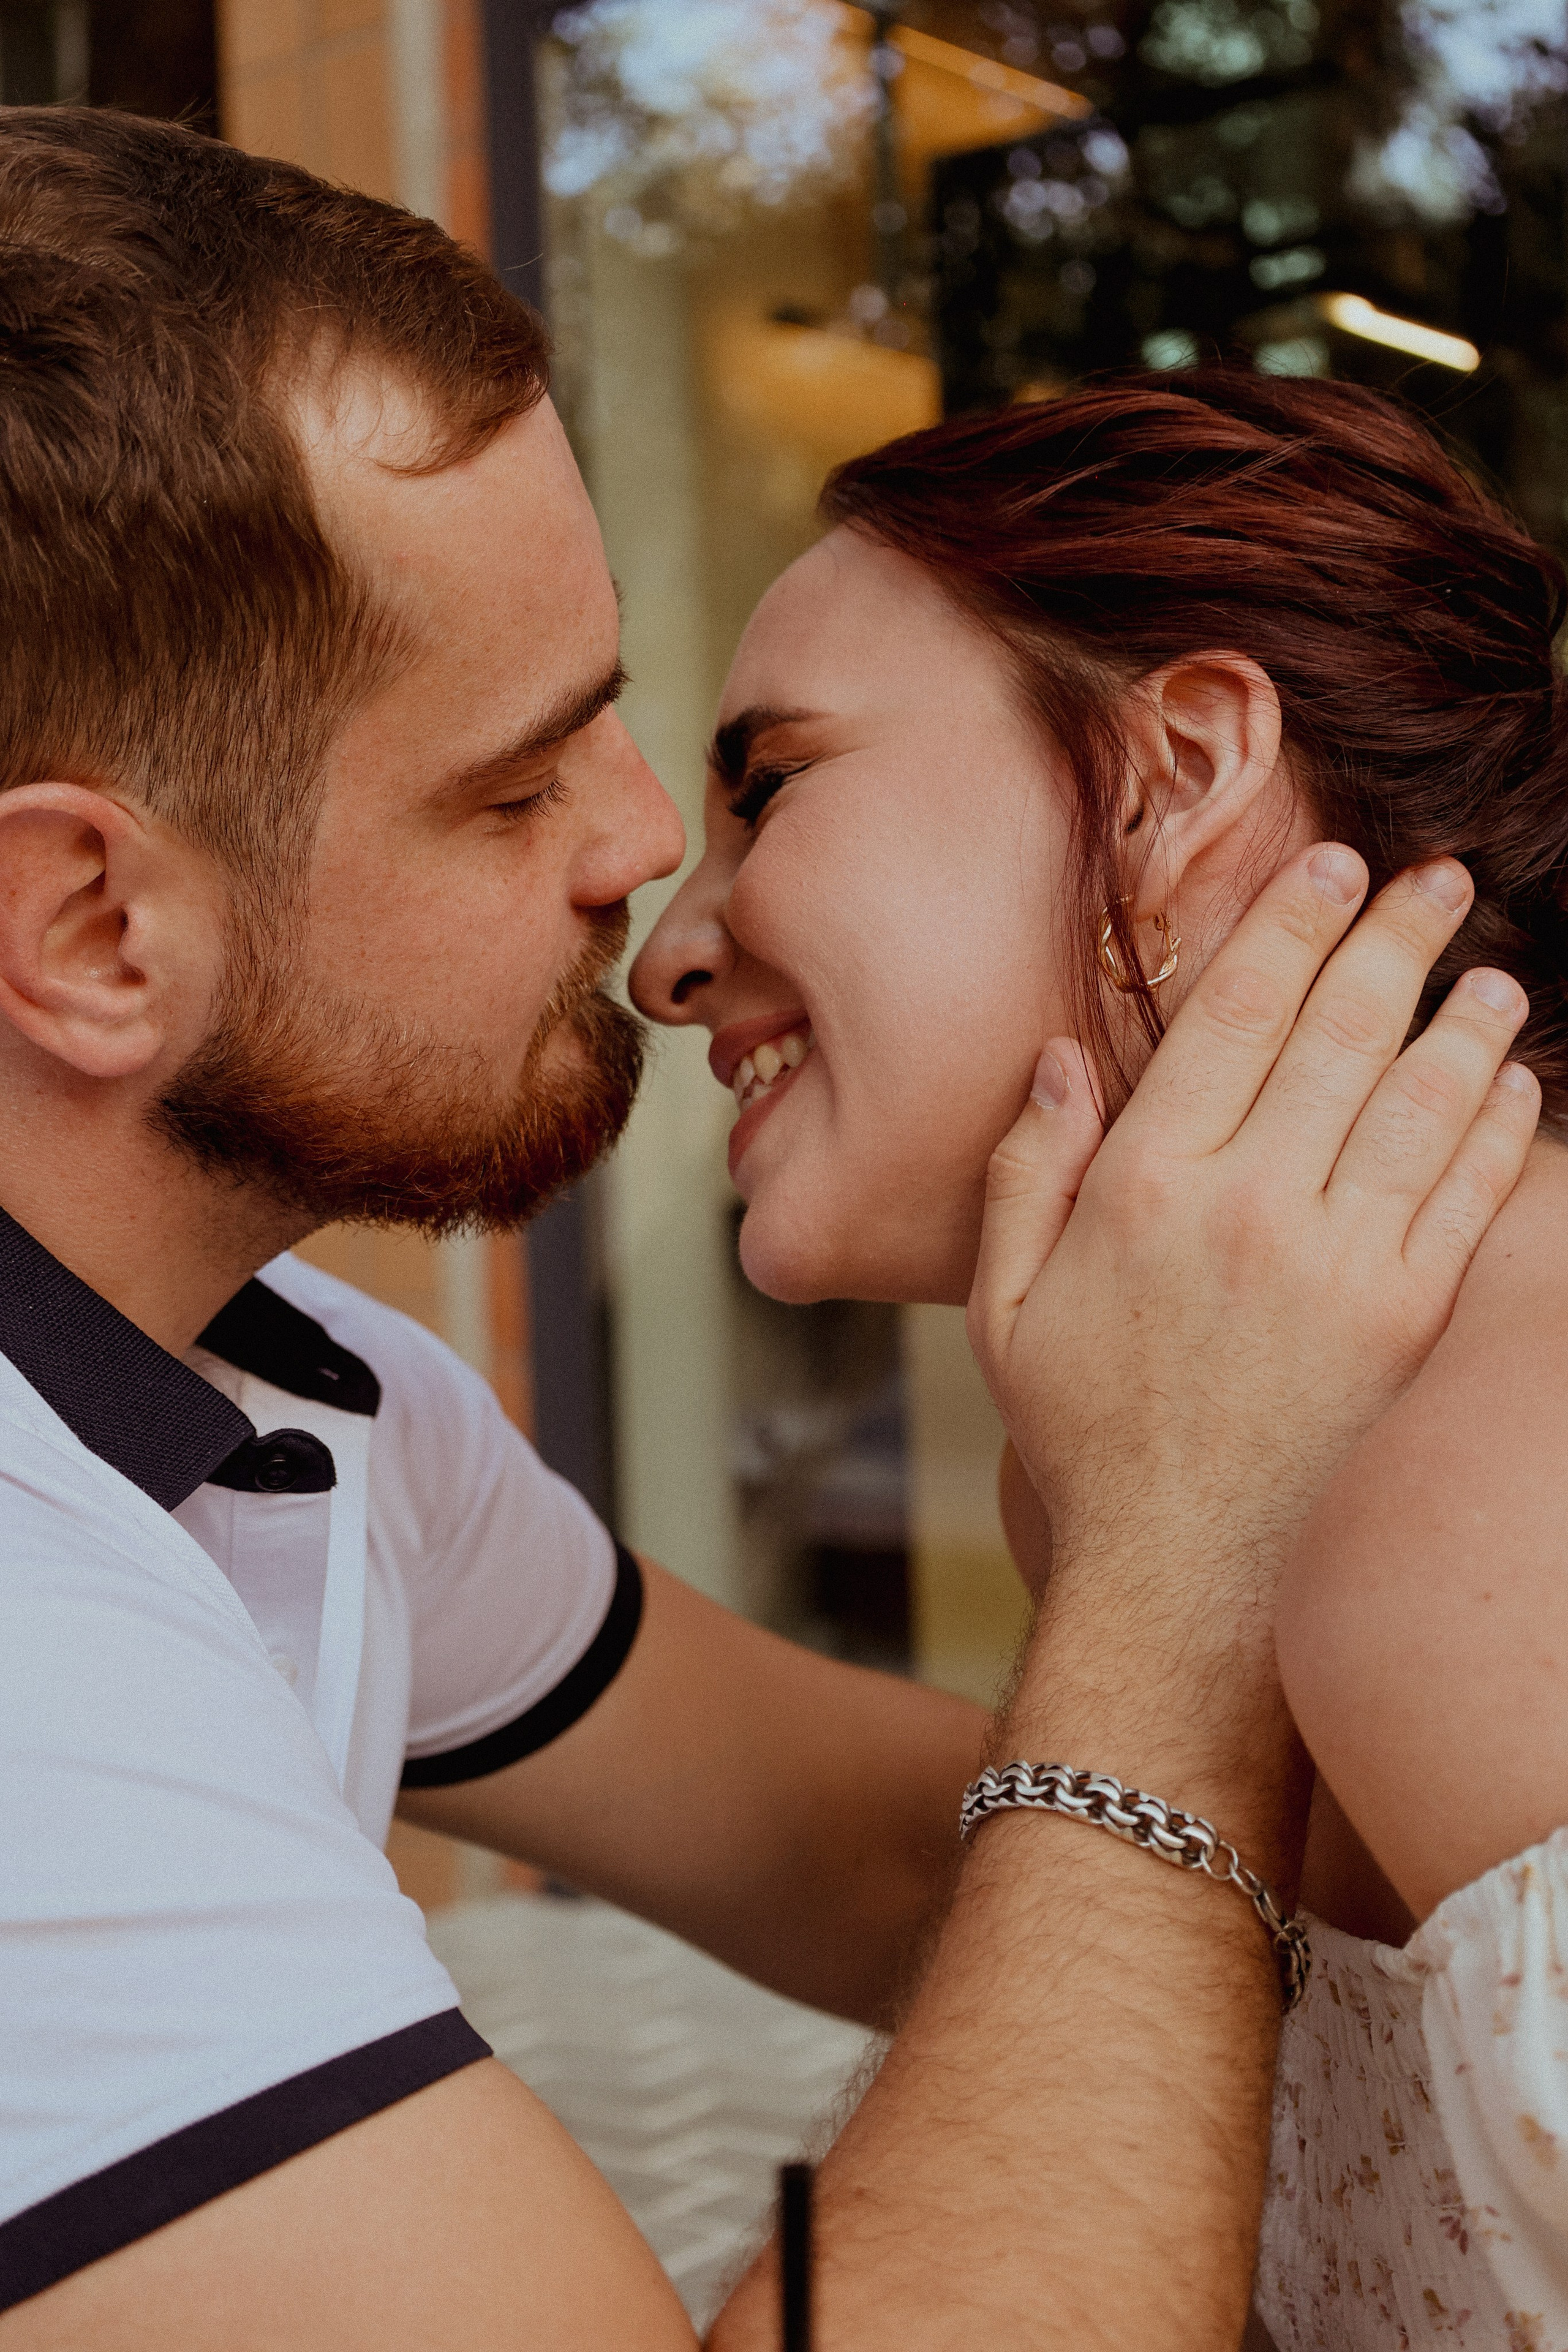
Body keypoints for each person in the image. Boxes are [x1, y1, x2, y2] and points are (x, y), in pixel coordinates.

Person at [0, 108, 1534, 2351]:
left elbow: (865, 1852)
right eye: (519, 781)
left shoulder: (295, 1394)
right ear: (93, 927)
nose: (642, 882)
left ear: (1191, 778)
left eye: (739, 762)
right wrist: (1176, 1554)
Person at [631, 371, 1568, 2348]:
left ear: (1176, 771)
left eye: (770, 784)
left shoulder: (1484, 1487)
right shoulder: (1130, 1473)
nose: (668, 955)